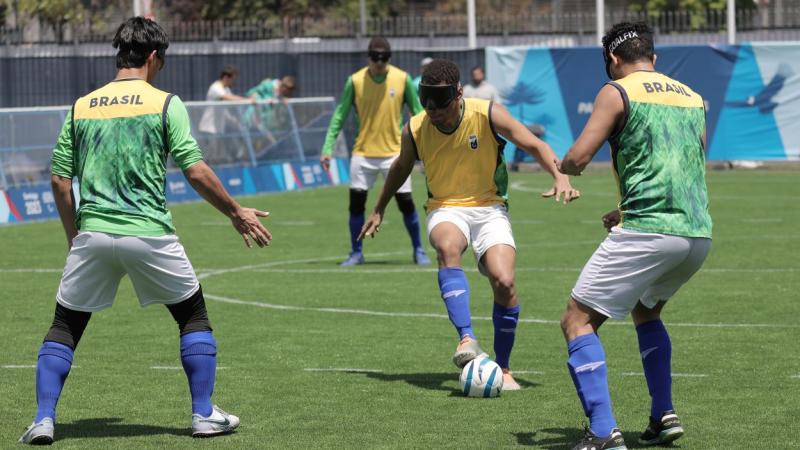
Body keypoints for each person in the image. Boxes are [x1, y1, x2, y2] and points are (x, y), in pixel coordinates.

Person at [18, 17, 272, 445]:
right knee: (192, 315)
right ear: (154, 57)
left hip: (93, 233)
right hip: (150, 232)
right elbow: (195, 169)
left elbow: (60, 182)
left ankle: (43, 420)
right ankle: (203, 414)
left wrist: (75, 235)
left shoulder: (82, 105)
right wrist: (234, 211)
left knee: (65, 324)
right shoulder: (164, 103)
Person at [358, 59, 580, 390]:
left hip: (490, 209)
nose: (434, 111)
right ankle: (467, 339)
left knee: (505, 282)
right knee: (448, 246)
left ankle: (503, 368)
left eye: (441, 103)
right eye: (426, 102)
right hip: (445, 207)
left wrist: (560, 176)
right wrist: (378, 208)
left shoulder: (487, 114)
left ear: (459, 94)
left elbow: (532, 143)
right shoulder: (416, 128)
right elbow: (400, 167)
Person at [556, 22, 711, 450]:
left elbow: (580, 155)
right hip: (696, 234)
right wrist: (624, 208)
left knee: (577, 319)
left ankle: (603, 431)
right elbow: (690, 167)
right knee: (647, 311)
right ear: (654, 58)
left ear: (612, 60)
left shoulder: (617, 90)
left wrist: (562, 167)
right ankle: (663, 414)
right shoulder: (693, 98)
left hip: (649, 230)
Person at [320, 37, 429, 267]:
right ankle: (356, 252)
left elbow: (419, 114)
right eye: (376, 58)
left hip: (395, 154)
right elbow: (340, 114)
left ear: (390, 58)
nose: (380, 63)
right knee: (356, 205)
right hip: (363, 153)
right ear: (369, 57)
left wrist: (427, 147)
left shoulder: (402, 79)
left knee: (405, 203)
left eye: (384, 58)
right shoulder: (355, 81)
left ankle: (419, 250)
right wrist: (327, 148)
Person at [198, 65, 252, 135]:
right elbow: (228, 98)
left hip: (218, 129)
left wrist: (234, 122)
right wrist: (248, 100)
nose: (233, 82)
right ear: (226, 77)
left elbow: (224, 111)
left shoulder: (226, 89)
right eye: (232, 79)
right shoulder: (215, 87)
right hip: (208, 129)